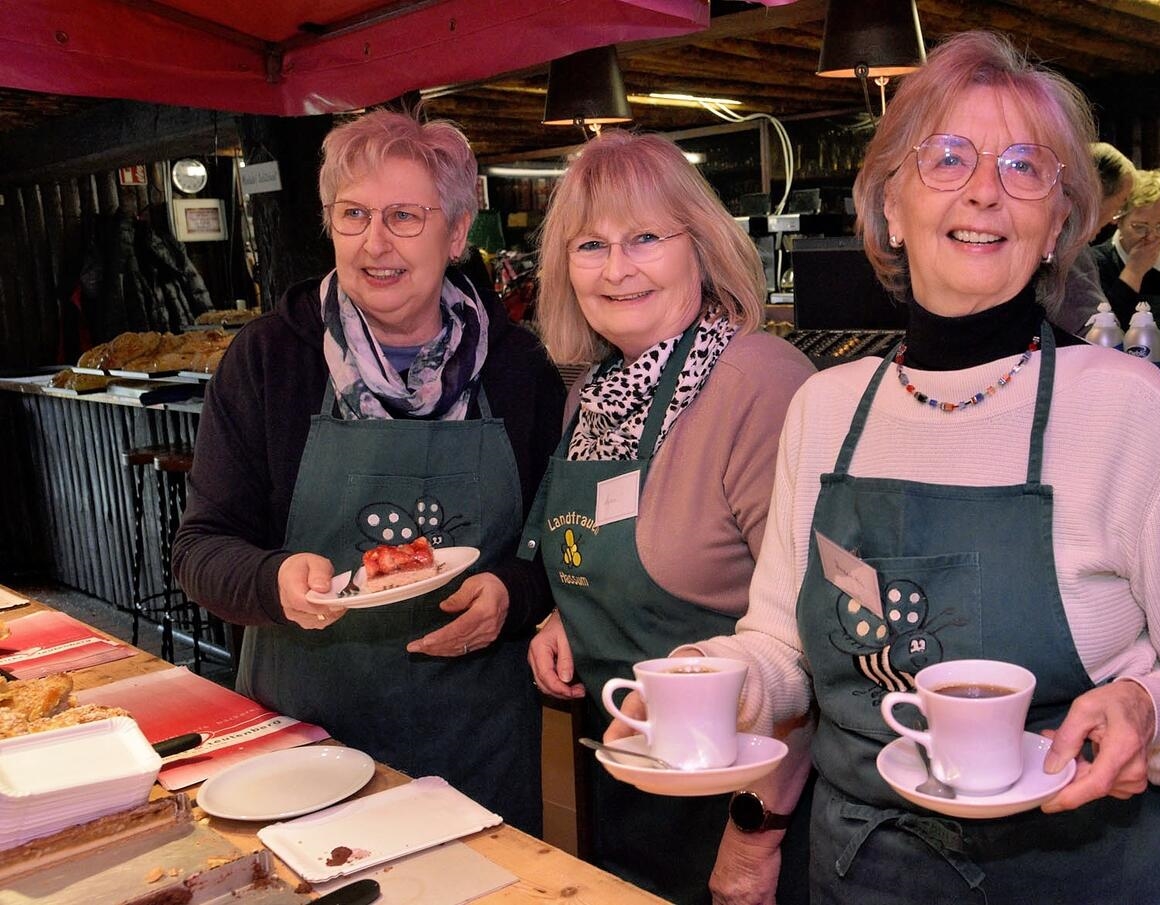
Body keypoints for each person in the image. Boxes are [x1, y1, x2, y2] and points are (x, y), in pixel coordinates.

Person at [679, 32, 1160, 904]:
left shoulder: (1128, 408)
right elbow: (780, 645)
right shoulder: (825, 409)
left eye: (1023, 166)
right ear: (890, 207)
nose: (983, 189)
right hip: (864, 873)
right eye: (948, 157)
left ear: (1057, 225)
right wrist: (727, 682)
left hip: (1086, 869)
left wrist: (1153, 711)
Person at [173, 109, 564, 834]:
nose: (374, 242)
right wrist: (273, 581)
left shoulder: (519, 369)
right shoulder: (270, 360)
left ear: (455, 234)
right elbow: (200, 549)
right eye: (353, 214)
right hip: (302, 746)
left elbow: (557, 546)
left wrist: (513, 592)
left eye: (404, 216)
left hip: (475, 748)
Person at [520, 130, 816, 904]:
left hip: (755, 803)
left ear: (702, 246)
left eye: (645, 237)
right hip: (629, 782)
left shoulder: (762, 383)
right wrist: (570, 610)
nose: (617, 269)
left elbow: (815, 643)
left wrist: (753, 838)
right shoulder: (593, 394)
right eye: (591, 245)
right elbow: (616, 548)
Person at [1092, 168, 1160, 364]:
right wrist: (1134, 271)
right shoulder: (1097, 262)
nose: (1152, 236)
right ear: (1118, 219)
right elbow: (1104, 334)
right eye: (1140, 227)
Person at [1057, 142, 1136, 335]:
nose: (1115, 218)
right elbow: (1099, 333)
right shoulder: (1069, 244)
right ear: (1096, 192)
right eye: (1121, 202)